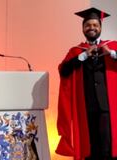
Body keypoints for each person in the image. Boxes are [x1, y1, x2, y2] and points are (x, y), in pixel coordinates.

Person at [56, 7, 117, 160]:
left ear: (100, 28)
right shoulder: (76, 51)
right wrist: (83, 56)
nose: (92, 28)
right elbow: (63, 71)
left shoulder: (112, 46)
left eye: (95, 25)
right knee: (91, 146)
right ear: (83, 28)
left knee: (107, 144)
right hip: (86, 107)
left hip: (107, 107)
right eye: (88, 25)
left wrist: (111, 53)